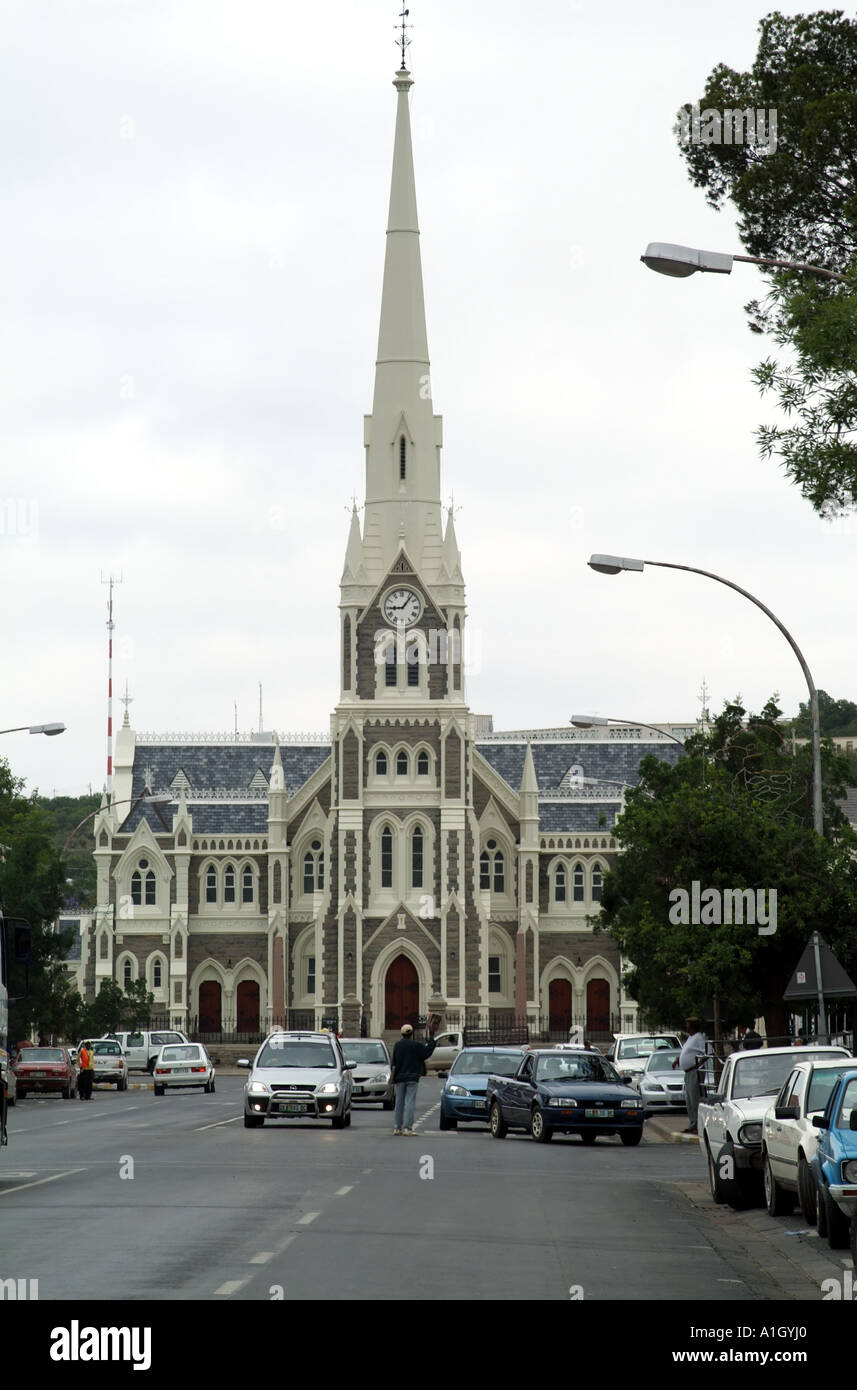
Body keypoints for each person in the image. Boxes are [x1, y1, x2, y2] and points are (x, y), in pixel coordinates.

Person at [390, 1024, 436, 1135]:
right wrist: (431, 1039)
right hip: (413, 1077)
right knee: (410, 1102)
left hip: (400, 1077)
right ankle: (407, 1128)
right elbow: (427, 1053)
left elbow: (394, 1063)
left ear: (402, 1034)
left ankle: (397, 1127)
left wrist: (393, 1076)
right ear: (412, 1034)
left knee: (399, 1102)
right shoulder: (416, 1045)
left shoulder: (397, 1045)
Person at [673, 1017, 707, 1134]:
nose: (686, 1027)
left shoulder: (699, 1038)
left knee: (695, 1098)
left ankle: (697, 1124)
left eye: (687, 1025)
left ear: (692, 1026)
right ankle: (693, 1123)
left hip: (694, 1071)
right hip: (688, 1072)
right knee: (689, 1099)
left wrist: (698, 1065)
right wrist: (679, 1059)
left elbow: (708, 1053)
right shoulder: (690, 1038)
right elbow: (688, 1052)